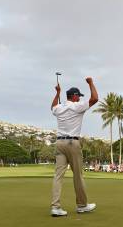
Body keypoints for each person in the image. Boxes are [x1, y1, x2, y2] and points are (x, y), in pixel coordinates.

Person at [50, 77, 99, 217]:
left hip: (59, 143)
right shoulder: (77, 106)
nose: (79, 99)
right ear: (75, 96)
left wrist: (57, 93)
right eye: (78, 96)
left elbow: (52, 107)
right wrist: (91, 83)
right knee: (78, 175)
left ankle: (55, 207)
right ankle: (82, 205)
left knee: (58, 176)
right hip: (72, 143)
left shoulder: (59, 108)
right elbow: (95, 98)